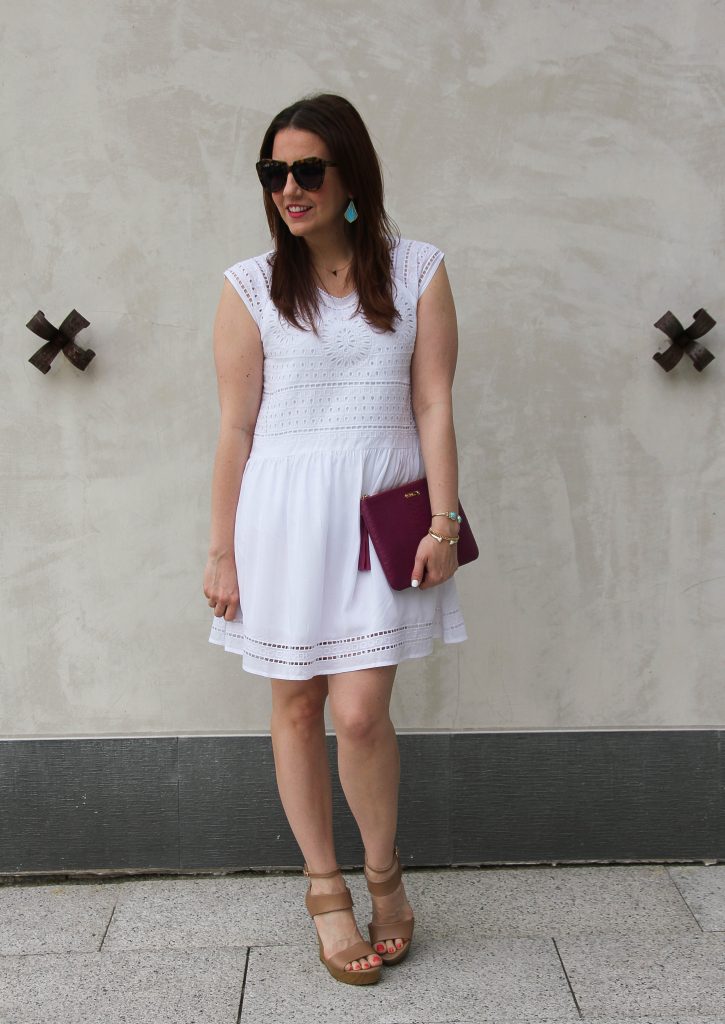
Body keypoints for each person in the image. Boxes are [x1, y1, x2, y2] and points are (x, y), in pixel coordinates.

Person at [203, 93, 468, 986]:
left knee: (358, 712)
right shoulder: (248, 285)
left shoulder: (419, 270)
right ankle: (326, 889)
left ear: (350, 171)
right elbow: (235, 429)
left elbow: (432, 402)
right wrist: (219, 549)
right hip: (280, 518)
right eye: (273, 172)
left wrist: (444, 516)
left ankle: (384, 873)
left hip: (380, 517)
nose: (288, 187)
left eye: (306, 169)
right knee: (297, 706)